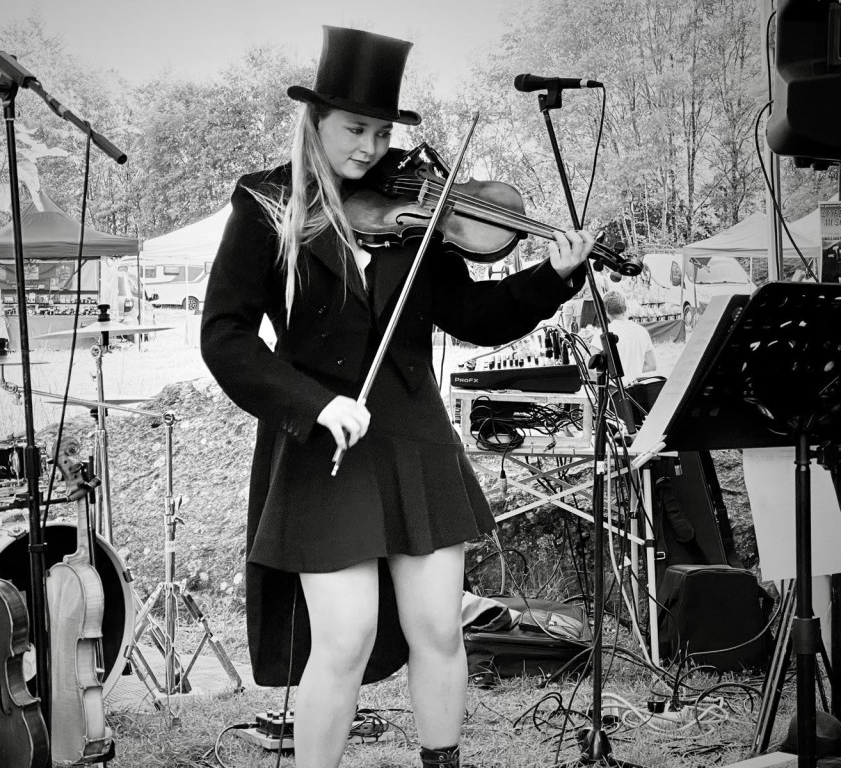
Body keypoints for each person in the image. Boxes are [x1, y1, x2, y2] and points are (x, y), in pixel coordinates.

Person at [200, 26, 594, 768]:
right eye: (356, 128)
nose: (371, 147)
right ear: (314, 119)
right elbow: (225, 338)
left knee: (439, 628)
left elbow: (473, 316)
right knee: (343, 639)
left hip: (411, 431)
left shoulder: (417, 209)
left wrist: (555, 277)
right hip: (325, 441)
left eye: (383, 131)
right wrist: (314, 404)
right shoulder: (266, 203)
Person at [589, 290, 657, 383]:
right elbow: (652, 365)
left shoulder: (603, 333)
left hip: (613, 391)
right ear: (626, 308)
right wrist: (632, 371)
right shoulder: (641, 331)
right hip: (636, 390)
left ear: (605, 311)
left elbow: (591, 369)